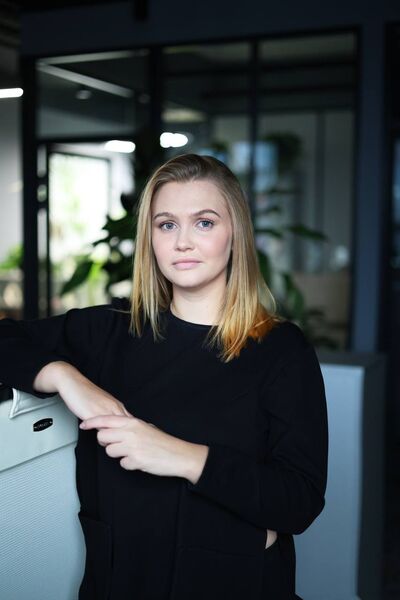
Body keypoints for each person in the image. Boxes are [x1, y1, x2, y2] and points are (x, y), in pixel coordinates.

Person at [0, 153, 328, 600]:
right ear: (150, 238)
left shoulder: (281, 349)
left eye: (204, 223)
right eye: (167, 224)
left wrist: (180, 456)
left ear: (236, 234)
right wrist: (65, 378)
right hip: (121, 583)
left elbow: (299, 502)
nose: (183, 242)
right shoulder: (109, 331)